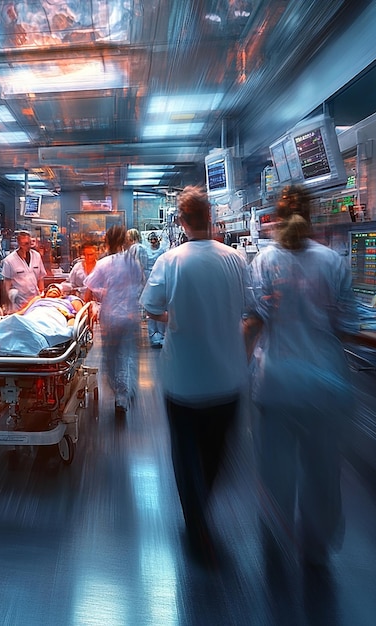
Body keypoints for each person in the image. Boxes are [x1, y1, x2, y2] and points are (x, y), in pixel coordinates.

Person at [245, 184, 359, 568]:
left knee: (276, 469)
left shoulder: (263, 262)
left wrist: (237, 371)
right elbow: (346, 325)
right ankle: (318, 546)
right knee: (323, 468)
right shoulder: (333, 262)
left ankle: (277, 541)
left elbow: (253, 323)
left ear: (274, 218)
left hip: (276, 383)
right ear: (314, 217)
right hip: (325, 385)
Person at [140, 186, 252, 563]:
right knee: (216, 449)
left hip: (184, 377)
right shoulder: (236, 259)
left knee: (186, 452)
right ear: (212, 218)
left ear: (182, 221)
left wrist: (175, 318)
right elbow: (252, 312)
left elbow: (150, 307)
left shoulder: (171, 261)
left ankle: (196, 520)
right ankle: (202, 510)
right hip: (227, 375)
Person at [84, 225, 144, 416]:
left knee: (110, 356)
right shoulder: (132, 262)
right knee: (127, 355)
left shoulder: (103, 263)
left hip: (110, 317)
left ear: (107, 241)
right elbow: (140, 284)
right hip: (130, 316)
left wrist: (95, 301)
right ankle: (125, 393)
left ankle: (120, 392)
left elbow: (90, 286)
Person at [0, 282, 84, 356]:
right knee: (15, 321)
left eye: (57, 290)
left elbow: (78, 316)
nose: (53, 290)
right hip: (33, 316)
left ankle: (32, 336)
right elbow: (22, 313)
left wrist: (71, 325)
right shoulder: (38, 300)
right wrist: (3, 318)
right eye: (51, 289)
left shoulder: (69, 302)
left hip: (54, 316)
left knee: (30, 326)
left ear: (62, 294)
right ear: (45, 292)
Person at [1, 230, 47, 312]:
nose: (28, 246)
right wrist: (8, 305)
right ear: (19, 244)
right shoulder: (9, 261)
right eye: (25, 244)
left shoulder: (36, 256)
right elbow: (7, 284)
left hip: (35, 301)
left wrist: (42, 294)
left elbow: (40, 278)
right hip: (19, 302)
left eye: (29, 243)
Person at [145, 231, 166, 348]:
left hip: (160, 280)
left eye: (154, 239)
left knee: (160, 309)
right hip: (149, 279)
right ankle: (153, 335)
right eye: (151, 240)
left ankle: (161, 335)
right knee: (151, 310)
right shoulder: (146, 251)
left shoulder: (162, 251)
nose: (153, 242)